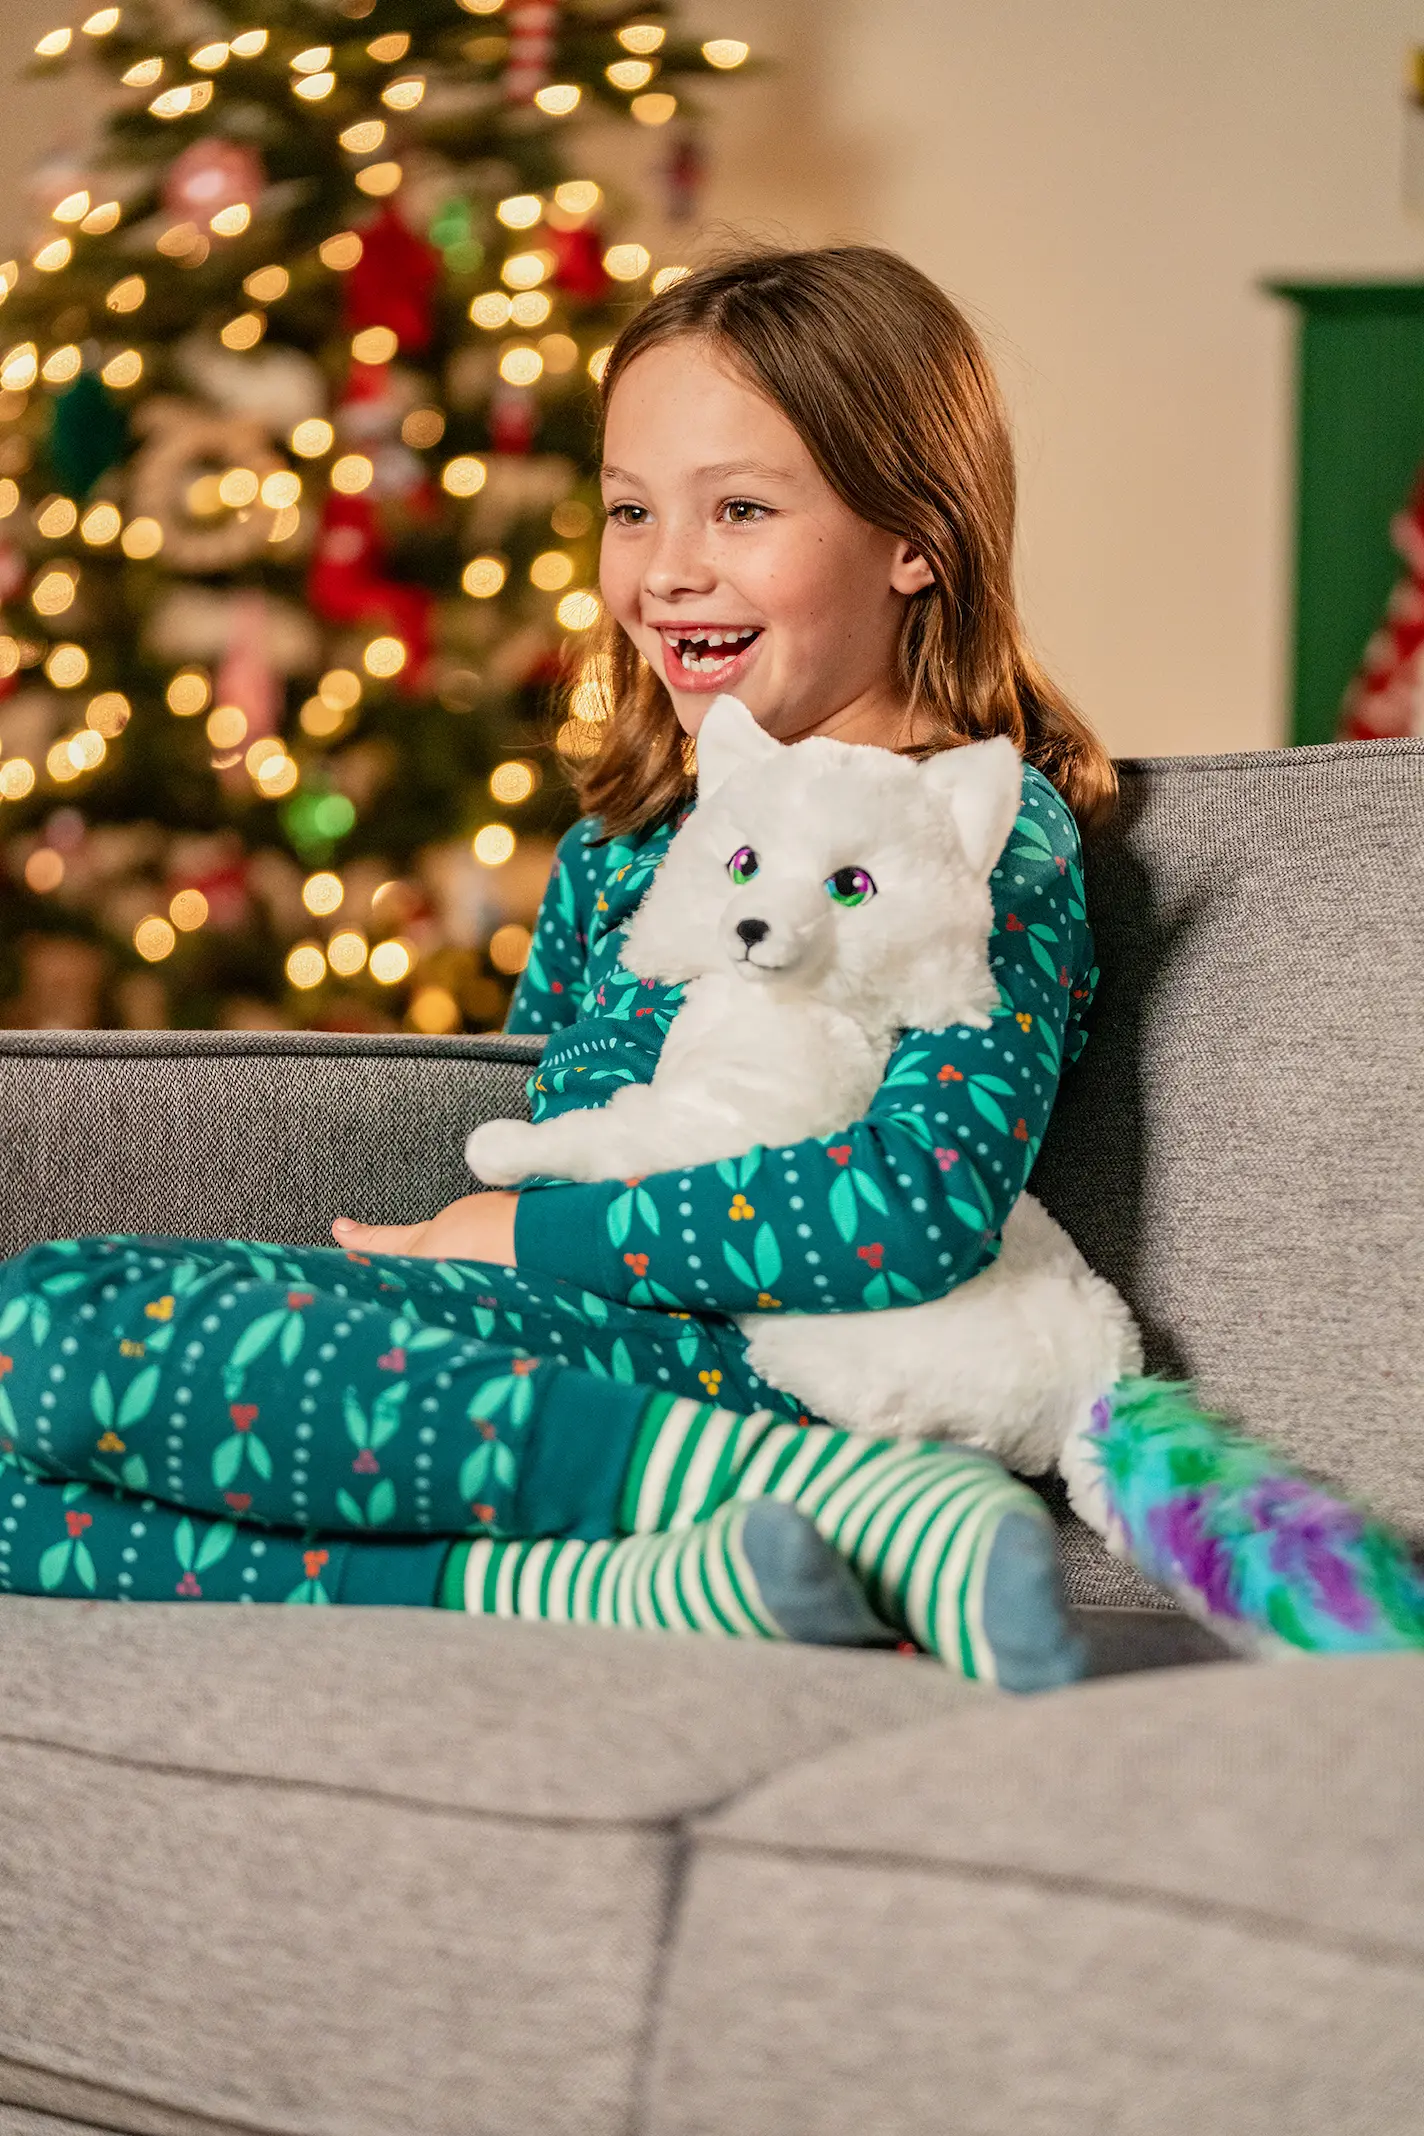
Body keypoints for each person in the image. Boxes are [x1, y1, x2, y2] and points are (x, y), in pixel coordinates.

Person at [0, 246, 1116, 1690]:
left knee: (51, 1321)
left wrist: (526, 1244)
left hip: (769, 1370)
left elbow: (914, 1208)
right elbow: (538, 1132)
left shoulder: (968, 828)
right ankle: (651, 1586)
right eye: (631, 510)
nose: (667, 570)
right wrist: (498, 1246)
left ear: (917, 536)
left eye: (742, 510)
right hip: (548, 1344)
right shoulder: (630, 845)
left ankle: (842, 1499)